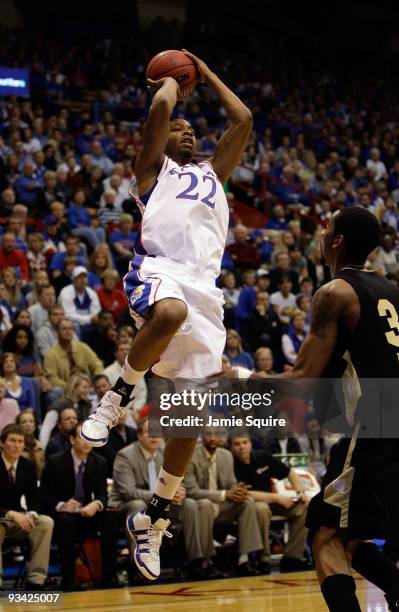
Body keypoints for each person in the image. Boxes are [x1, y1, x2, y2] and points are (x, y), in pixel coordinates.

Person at [81, 49, 253, 581]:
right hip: (160, 270)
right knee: (170, 310)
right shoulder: (152, 172)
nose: (187, 134)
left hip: (207, 292)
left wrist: (203, 67)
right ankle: (117, 396)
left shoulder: (213, 178)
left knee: (190, 419)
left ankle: (154, 518)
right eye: (179, 130)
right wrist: (174, 82)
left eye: (191, 132)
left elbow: (243, 119)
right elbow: (158, 109)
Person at [280, 207, 399, 610]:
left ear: (338, 240)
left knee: (325, 538)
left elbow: (302, 379)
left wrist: (234, 377)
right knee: (354, 538)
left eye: (327, 226)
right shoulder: (392, 289)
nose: (321, 231)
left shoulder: (335, 292)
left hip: (379, 420)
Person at [40, 424, 120, 590]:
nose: (86, 442)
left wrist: (95, 504)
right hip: (63, 516)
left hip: (86, 513)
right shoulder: (55, 461)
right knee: (65, 521)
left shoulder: (99, 461)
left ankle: (109, 575)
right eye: (82, 438)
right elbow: (44, 496)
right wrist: (62, 505)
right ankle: (69, 579)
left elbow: (102, 494)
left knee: (110, 519)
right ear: (72, 440)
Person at [184, 432, 263, 576]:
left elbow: (231, 484)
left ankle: (244, 559)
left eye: (217, 434)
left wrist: (239, 491)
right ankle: (206, 561)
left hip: (221, 507)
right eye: (209, 434)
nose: (213, 438)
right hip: (199, 507)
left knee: (248, 502)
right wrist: (225, 494)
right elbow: (192, 491)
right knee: (206, 504)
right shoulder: (190, 455)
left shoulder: (226, 455)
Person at [230, 436, 310, 574]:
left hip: (274, 502)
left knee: (303, 508)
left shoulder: (262, 456)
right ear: (231, 447)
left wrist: (300, 492)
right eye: (237, 444)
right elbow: (243, 493)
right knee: (261, 509)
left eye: (245, 442)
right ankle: (263, 559)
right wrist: (276, 497)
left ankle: (293, 557)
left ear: (250, 443)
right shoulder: (229, 464)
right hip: (248, 505)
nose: (242, 447)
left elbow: (291, 473)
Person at [0, 424, 54, 591]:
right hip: (2, 518)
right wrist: (11, 514)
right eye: (12, 441)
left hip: (19, 521)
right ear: (2, 443)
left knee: (45, 522)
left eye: (20, 441)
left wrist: (31, 514)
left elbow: (34, 498)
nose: (17, 445)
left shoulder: (28, 465)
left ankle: (35, 580)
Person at [43, 318, 103, 389]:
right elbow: (52, 379)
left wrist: (97, 379)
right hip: (65, 390)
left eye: (70, 329)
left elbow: (97, 364)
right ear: (57, 332)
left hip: (86, 387)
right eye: (64, 329)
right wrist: (72, 388)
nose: (68, 331)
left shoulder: (82, 346)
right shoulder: (51, 354)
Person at [15, 409, 45, 479]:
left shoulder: (39, 446)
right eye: (24, 422)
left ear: (35, 425)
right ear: (18, 425)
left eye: (31, 421)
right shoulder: (15, 446)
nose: (28, 425)